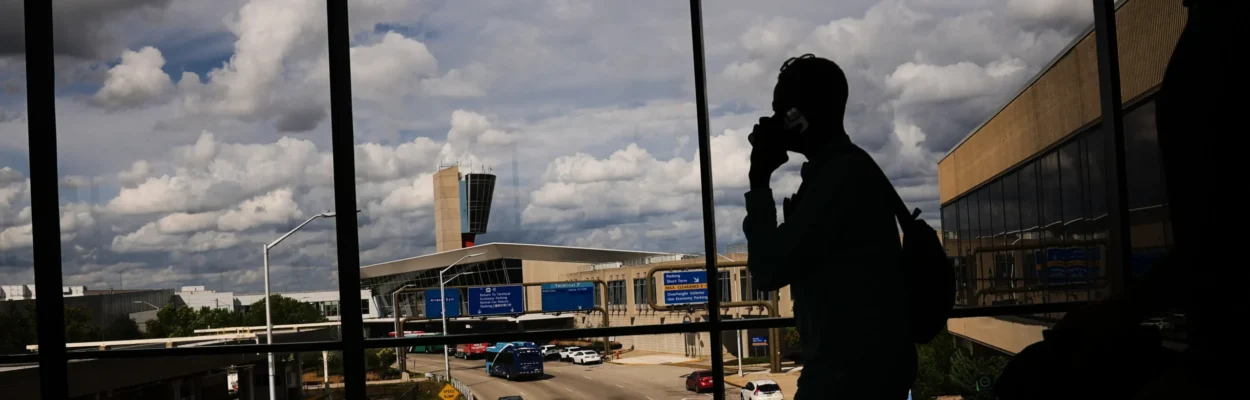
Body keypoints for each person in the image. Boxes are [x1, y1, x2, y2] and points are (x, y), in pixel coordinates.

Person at [743, 54, 916, 399]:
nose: (773, 121)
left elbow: (766, 270)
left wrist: (759, 178)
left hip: (847, 378)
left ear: (801, 118)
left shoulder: (837, 181)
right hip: (865, 373)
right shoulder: (846, 170)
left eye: (781, 111)